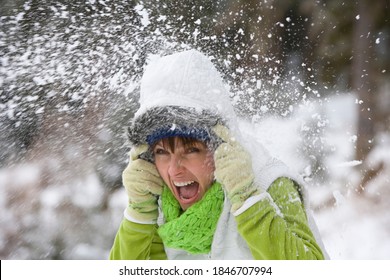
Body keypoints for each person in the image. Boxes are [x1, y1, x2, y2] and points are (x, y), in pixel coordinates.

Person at [109, 49, 327, 260]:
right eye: (161, 152)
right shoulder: (158, 203)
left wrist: (247, 201)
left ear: (221, 147)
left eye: (192, 150)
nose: (174, 169)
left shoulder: (269, 183)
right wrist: (139, 213)